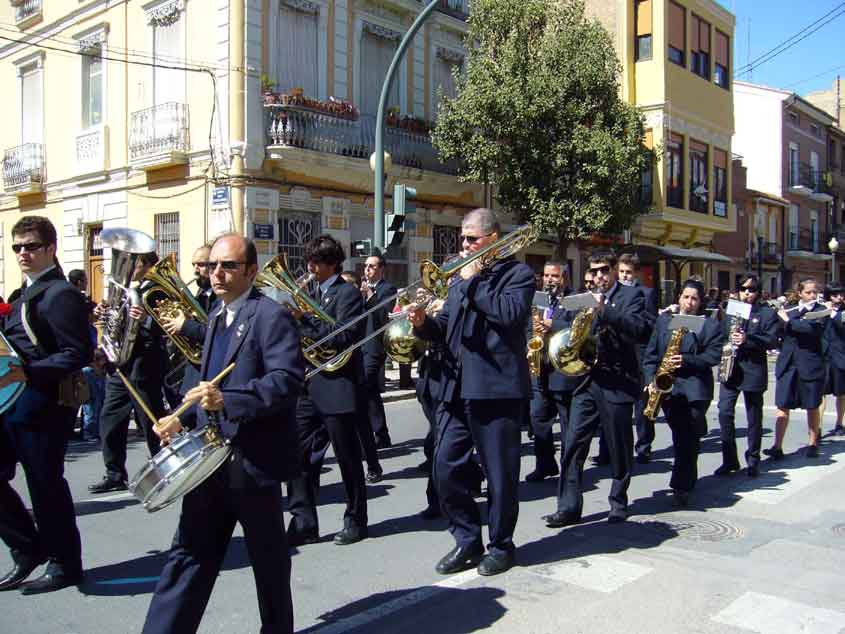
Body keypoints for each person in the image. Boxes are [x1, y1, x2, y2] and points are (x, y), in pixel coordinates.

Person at [142, 234, 304, 634]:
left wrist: (227, 400)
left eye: (228, 265)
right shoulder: (216, 313)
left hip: (252, 464)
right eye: (212, 265)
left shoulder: (270, 315)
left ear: (250, 271)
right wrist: (182, 416)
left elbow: (286, 381)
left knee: (268, 563)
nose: (216, 272)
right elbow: (204, 377)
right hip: (210, 462)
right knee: (187, 555)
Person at [409, 208, 534, 577]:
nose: (464, 245)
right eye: (462, 239)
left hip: (496, 390)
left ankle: (500, 545)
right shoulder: (460, 280)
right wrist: (423, 323)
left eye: (471, 239)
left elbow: (510, 315)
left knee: (500, 476)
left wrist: (475, 281)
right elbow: (448, 326)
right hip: (455, 387)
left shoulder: (519, 274)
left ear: (492, 239)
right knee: (445, 467)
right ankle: (467, 539)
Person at [0, 215, 93, 593]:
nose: (23, 253)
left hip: (46, 405)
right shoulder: (19, 296)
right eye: (17, 247)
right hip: (11, 404)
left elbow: (78, 352)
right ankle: (27, 548)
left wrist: (29, 372)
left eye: (31, 246)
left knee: (45, 485)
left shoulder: (60, 294)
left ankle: (65, 562)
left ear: (51, 249)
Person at [544, 251, 650, 528]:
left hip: (617, 382)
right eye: (594, 271)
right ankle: (568, 507)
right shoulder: (583, 297)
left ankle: (618, 501)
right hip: (586, 380)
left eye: (604, 270)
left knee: (619, 446)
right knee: (572, 444)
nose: (599, 276)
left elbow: (639, 329)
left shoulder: (632, 296)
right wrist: (552, 325)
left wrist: (606, 311)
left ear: (615, 270)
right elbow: (565, 326)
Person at [287, 235, 369, 546]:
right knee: (299, 457)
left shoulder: (346, 293)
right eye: (309, 260)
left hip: (338, 386)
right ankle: (304, 521)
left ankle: (355, 520)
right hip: (309, 384)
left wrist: (303, 320)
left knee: (347, 459)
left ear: (332, 264)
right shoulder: (312, 293)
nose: (310, 267)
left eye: (316, 262)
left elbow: (344, 336)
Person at [88, 252, 169, 493]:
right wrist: (106, 315)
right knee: (109, 419)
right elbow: (115, 324)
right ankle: (114, 473)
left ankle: (165, 469)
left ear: (149, 265)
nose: (131, 268)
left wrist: (145, 319)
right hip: (120, 366)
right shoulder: (125, 290)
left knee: (150, 421)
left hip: (144, 364)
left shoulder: (159, 289)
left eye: (137, 263)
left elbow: (167, 325)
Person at [643, 279, 721, 506]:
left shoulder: (708, 325)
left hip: (695, 390)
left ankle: (682, 485)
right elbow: (651, 354)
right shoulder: (664, 321)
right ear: (679, 298)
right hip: (670, 389)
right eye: (686, 297)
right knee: (681, 436)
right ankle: (685, 478)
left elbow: (712, 356)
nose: (689, 302)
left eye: (694, 298)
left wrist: (685, 360)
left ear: (700, 302)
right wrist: (650, 380)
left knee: (686, 439)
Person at [715, 275, 779, 477]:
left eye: (751, 289)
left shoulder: (767, 313)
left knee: (754, 418)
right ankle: (729, 459)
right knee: (724, 413)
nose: (747, 293)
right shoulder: (731, 310)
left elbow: (771, 341)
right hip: (731, 369)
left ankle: (753, 459)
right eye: (743, 289)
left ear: (758, 292)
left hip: (753, 370)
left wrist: (747, 339)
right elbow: (720, 334)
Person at [766, 278, 827, 459]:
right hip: (788, 364)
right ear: (800, 293)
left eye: (815, 292)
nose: (812, 296)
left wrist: (788, 321)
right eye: (808, 292)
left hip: (809, 365)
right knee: (782, 405)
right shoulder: (791, 311)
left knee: (812, 405)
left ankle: (813, 443)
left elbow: (811, 330)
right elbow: (776, 333)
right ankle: (777, 446)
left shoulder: (821, 312)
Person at [525, 260, 570, 482]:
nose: (549, 280)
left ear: (564, 279)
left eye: (555, 276)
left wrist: (553, 326)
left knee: (566, 422)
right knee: (537, 417)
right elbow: (526, 326)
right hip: (538, 366)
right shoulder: (537, 299)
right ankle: (545, 464)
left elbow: (577, 330)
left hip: (561, 370)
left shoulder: (572, 302)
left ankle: (569, 469)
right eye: (546, 275)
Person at [160, 243, 219, 400]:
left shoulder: (222, 297)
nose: (195, 270)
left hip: (213, 373)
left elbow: (219, 332)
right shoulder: (199, 294)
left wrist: (185, 326)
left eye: (200, 264)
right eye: (193, 265)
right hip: (193, 370)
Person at [617, 253, 659, 464]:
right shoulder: (612, 292)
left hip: (639, 351)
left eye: (628, 272)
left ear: (636, 273)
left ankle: (644, 445)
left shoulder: (646, 293)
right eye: (622, 271)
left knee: (642, 403)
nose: (625, 276)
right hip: (618, 352)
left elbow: (652, 322)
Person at [361, 253, 398, 451]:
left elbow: (383, 316)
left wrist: (369, 296)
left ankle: (376, 433)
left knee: (366, 387)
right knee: (370, 391)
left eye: (372, 266)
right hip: (359, 346)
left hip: (374, 346)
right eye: (366, 266)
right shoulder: (360, 289)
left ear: (382, 270)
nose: (367, 269)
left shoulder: (387, 289)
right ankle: (381, 433)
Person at [821, 286, 845, 436]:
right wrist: (824, 312)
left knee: (841, 393)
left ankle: (839, 423)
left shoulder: (843, 313)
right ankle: (817, 426)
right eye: (835, 295)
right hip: (822, 356)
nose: (840, 297)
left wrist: (832, 314)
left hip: (840, 356)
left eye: (842, 295)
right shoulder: (821, 310)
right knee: (820, 393)